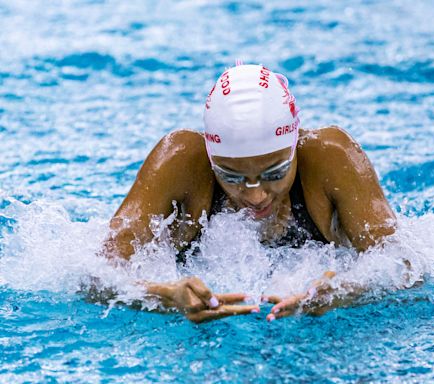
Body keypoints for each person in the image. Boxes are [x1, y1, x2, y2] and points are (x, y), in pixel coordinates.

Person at [103, 64, 396, 323]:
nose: (256, 196)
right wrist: (160, 296)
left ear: (294, 145)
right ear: (211, 157)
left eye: (274, 173)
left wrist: (347, 292)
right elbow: (97, 274)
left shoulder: (331, 158)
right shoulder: (180, 161)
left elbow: (404, 263)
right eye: (232, 176)